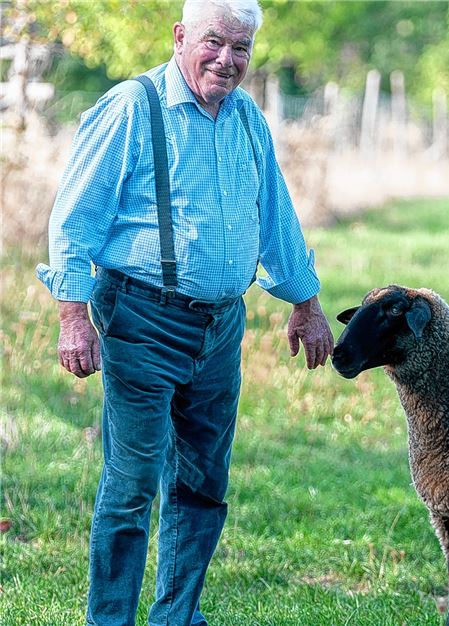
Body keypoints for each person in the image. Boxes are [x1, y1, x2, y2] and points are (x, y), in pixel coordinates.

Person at [35, 1, 334, 623]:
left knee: (203, 483)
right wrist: (73, 317)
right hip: (141, 321)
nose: (227, 60)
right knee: (132, 485)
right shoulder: (131, 108)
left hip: (222, 327)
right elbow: (73, 222)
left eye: (241, 49)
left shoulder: (247, 119)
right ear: (180, 37)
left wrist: (306, 303)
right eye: (214, 43)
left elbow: (274, 216)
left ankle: (176, 616)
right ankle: (110, 619)